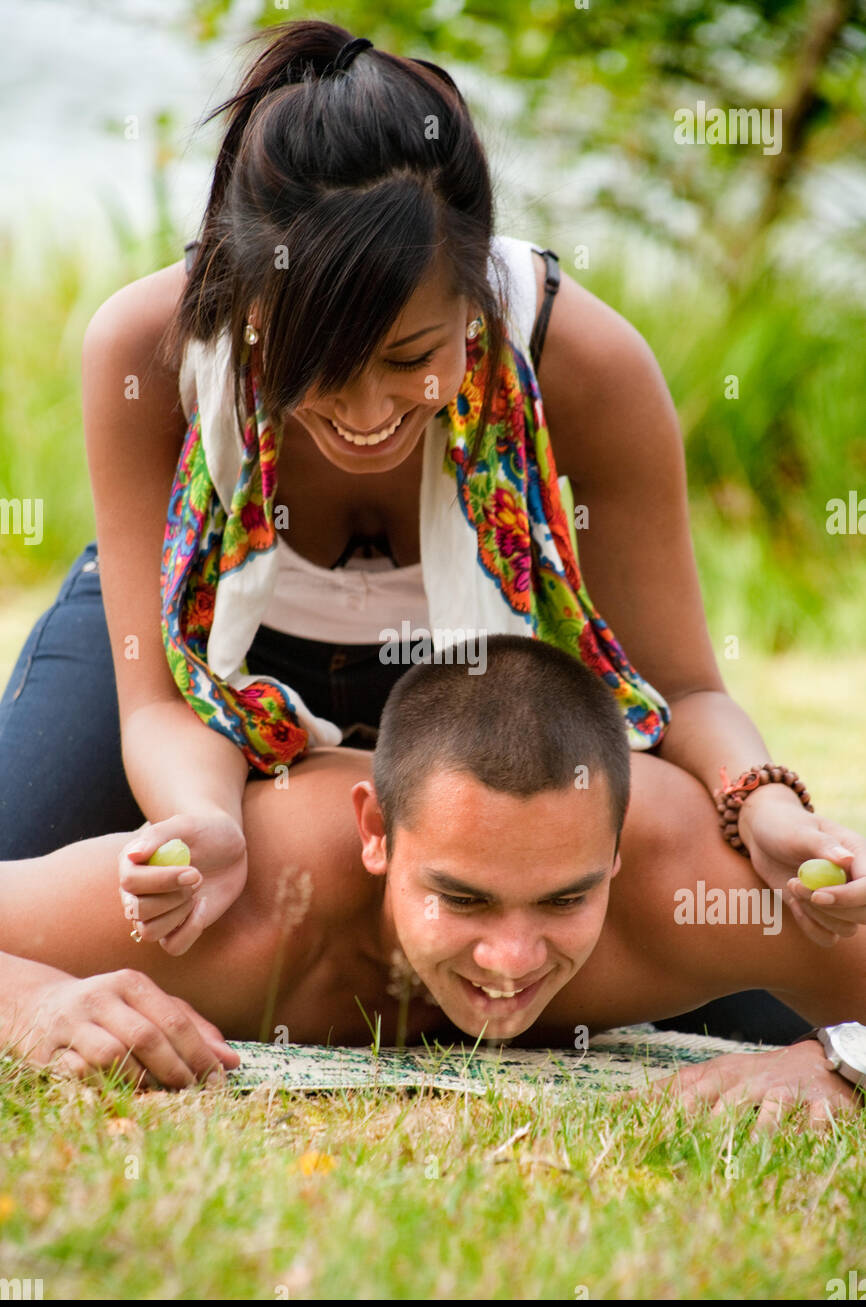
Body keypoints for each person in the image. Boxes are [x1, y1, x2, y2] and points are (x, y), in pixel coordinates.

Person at [1, 22, 863, 1044]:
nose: (366, 411)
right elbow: (158, 697)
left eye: (410, 354)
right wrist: (209, 822)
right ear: (249, 314)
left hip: (472, 665)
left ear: (473, 302)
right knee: (70, 892)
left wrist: (755, 800)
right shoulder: (145, 347)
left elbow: (680, 688)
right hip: (196, 657)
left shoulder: (584, 365)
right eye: (319, 365)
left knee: (737, 977)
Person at [1, 637, 864, 1129]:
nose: (511, 958)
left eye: (566, 898)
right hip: (214, 621)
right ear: (374, 833)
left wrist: (837, 1064)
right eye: (463, 897)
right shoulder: (240, 905)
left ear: (614, 856)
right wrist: (33, 1004)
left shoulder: (691, 891)